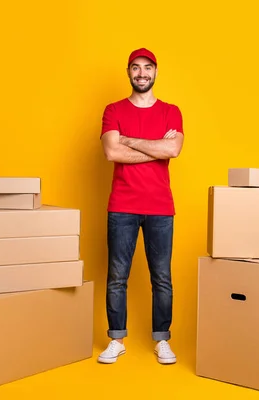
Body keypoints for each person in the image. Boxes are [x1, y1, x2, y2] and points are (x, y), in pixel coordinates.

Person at [97, 48, 184, 365]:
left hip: (161, 206)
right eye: (136, 68)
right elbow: (112, 153)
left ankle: (162, 340)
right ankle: (116, 339)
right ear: (128, 72)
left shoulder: (171, 111)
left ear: (156, 71)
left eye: (147, 68)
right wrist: (155, 147)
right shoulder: (113, 109)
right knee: (117, 276)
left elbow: (173, 149)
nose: (142, 73)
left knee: (162, 277)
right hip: (122, 205)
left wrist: (129, 140)